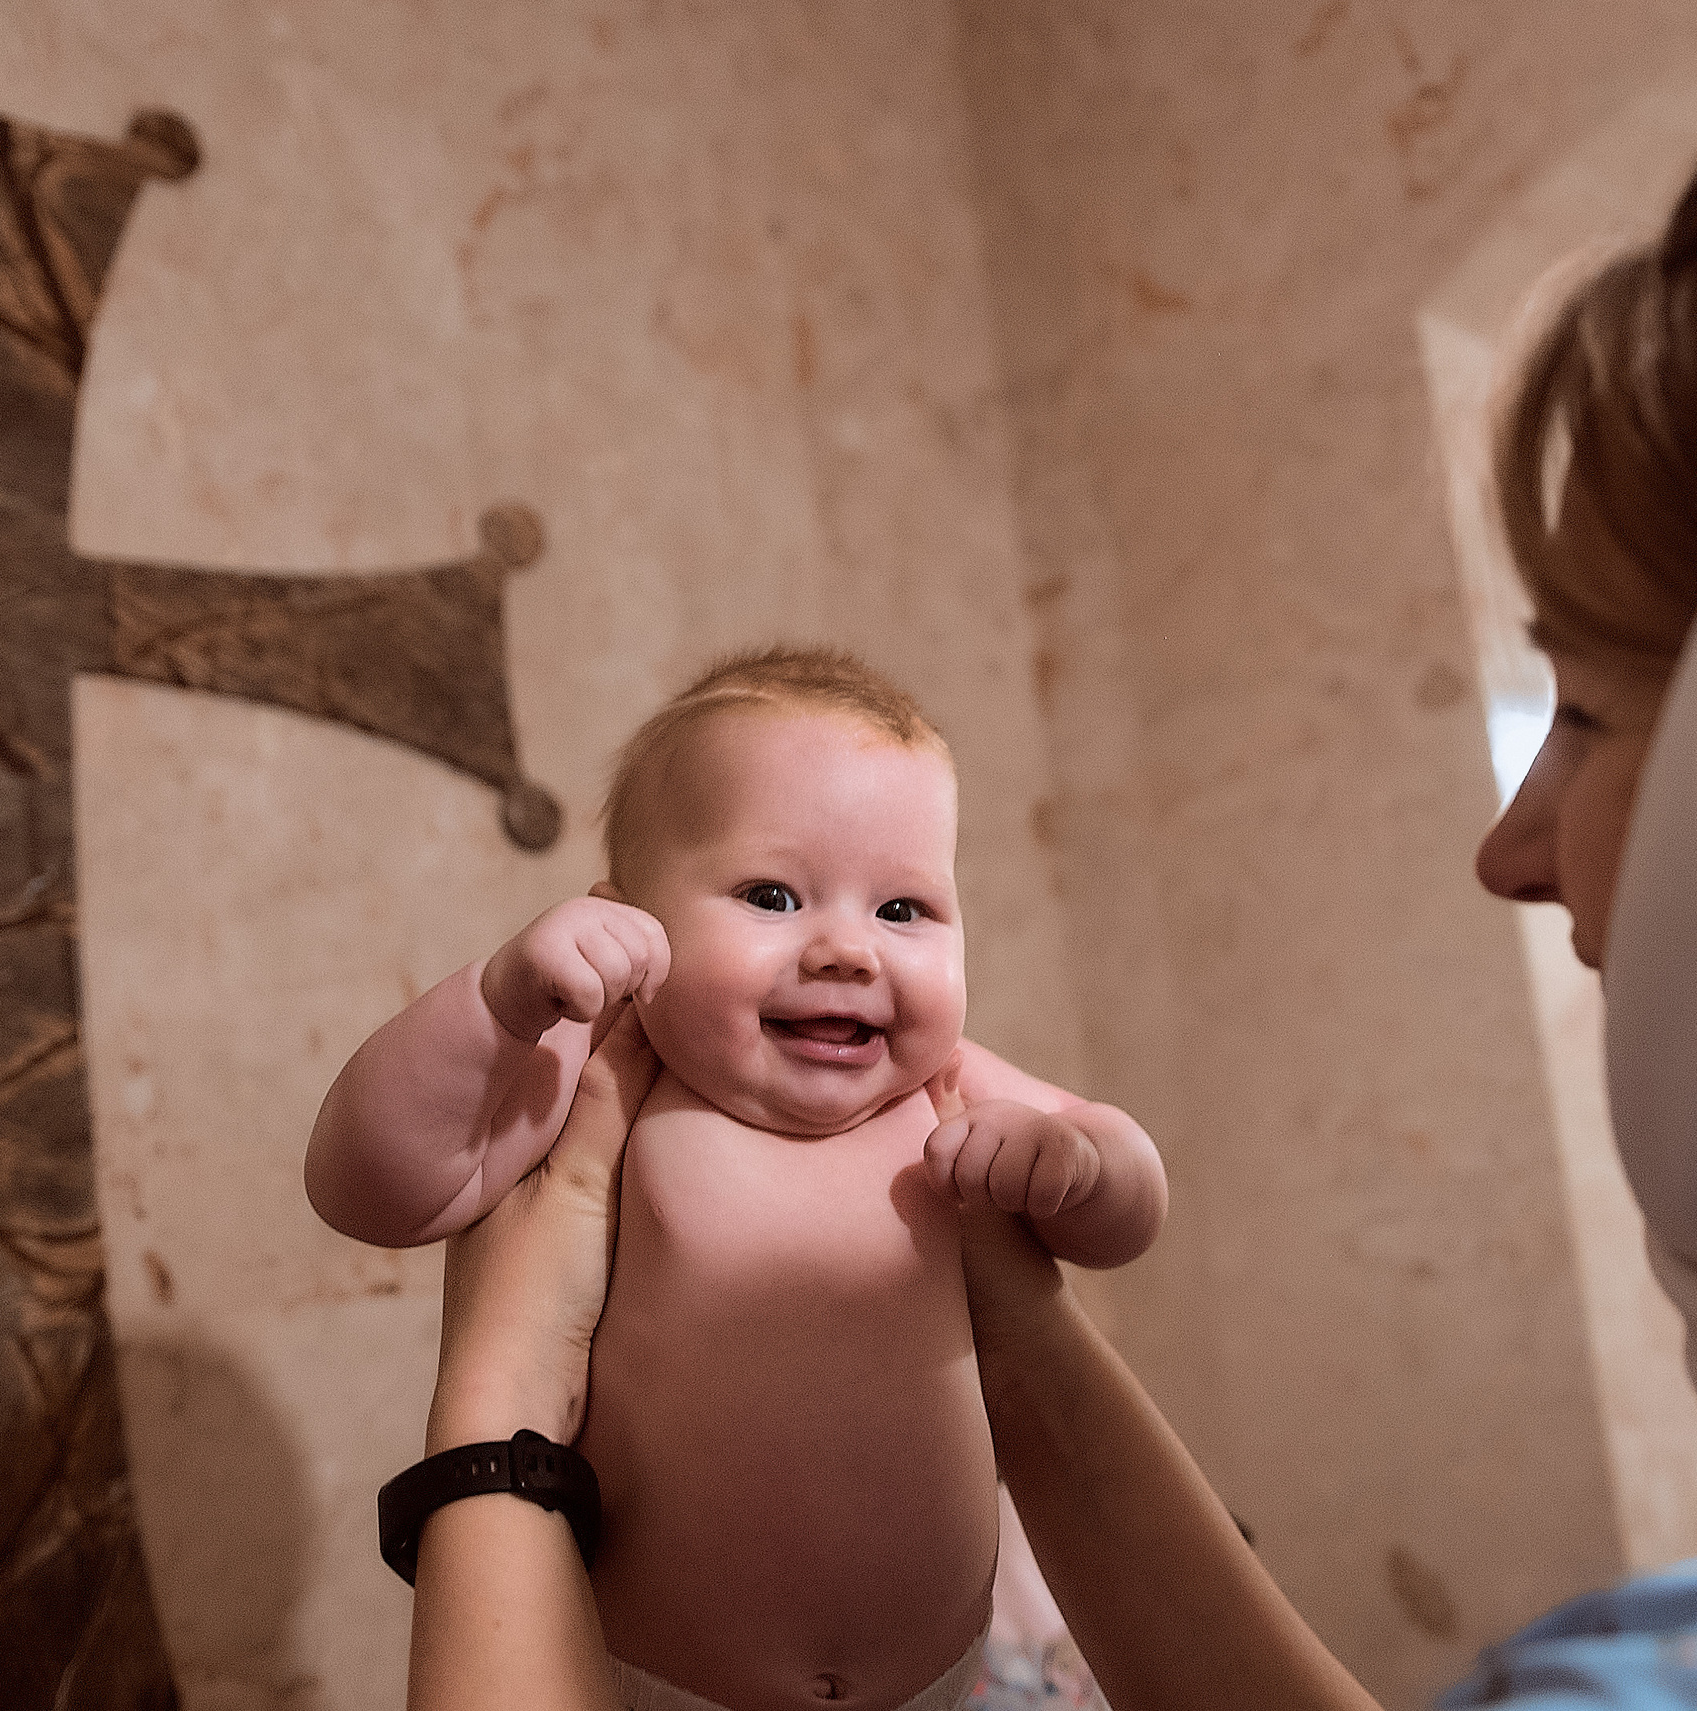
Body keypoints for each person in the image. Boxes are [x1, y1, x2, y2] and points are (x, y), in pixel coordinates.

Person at [391, 0, 1697, 1705]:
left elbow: (1111, 1182)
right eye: (774, 894)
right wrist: (1018, 1337)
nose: (1511, 847)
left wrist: (495, 1406)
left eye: (1602, 716)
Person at [308, 647, 1165, 1711]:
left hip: (946, 1678)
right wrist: (501, 1004)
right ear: (628, 924)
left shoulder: (946, 1087)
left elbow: (1126, 1208)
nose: (848, 948)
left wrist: (1082, 1164)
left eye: (903, 909)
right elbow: (371, 1186)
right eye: (772, 894)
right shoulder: (615, 1076)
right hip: (664, 1680)